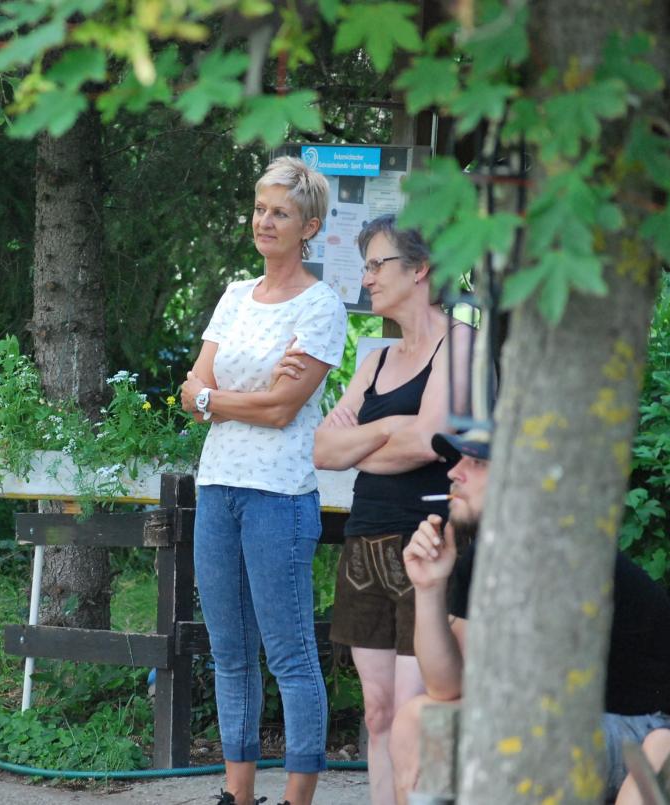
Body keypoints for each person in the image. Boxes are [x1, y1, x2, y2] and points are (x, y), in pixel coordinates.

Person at [392, 430, 670, 804]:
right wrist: (429, 588)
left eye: (477, 462)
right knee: (417, 720)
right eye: (459, 459)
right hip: (585, 723)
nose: (454, 472)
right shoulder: (488, 555)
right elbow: (446, 689)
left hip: (665, 728)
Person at [274, 214, 470, 805]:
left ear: (421, 269)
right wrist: (389, 427)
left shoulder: (459, 345)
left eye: (377, 265)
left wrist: (365, 441)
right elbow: (322, 450)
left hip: (425, 545)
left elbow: (429, 441)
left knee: (413, 710)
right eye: (365, 267)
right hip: (365, 544)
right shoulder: (377, 362)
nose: (366, 279)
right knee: (379, 711)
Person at [178, 156, 348, 805]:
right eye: (259, 208)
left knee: (290, 654)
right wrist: (221, 397)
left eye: (280, 212)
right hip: (218, 486)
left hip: (280, 495)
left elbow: (281, 410)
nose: (265, 221)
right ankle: (238, 794)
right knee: (229, 652)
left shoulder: (321, 305)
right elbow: (192, 389)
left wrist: (215, 399)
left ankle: (297, 797)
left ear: (309, 227)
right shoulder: (234, 296)